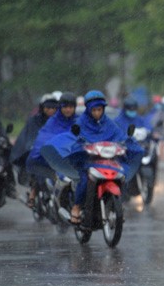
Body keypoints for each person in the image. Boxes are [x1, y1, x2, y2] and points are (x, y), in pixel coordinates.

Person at [41, 90, 142, 225]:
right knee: (84, 179)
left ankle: (118, 204)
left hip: (106, 160)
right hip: (86, 160)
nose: (96, 113)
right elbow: (73, 140)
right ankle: (77, 207)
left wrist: (128, 142)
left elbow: (120, 136)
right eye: (93, 110)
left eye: (99, 110)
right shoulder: (80, 123)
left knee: (123, 175)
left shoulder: (109, 123)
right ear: (88, 109)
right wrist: (81, 146)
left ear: (103, 109)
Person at [25, 92, 78, 206]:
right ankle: (35, 192)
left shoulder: (79, 121)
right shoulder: (51, 121)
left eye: (71, 107)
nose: (68, 110)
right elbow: (44, 137)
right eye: (65, 107)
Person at [9, 93, 59, 198]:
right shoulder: (34, 120)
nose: (51, 110)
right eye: (48, 107)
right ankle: (33, 191)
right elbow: (30, 136)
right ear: (42, 108)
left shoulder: (60, 121)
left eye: (53, 108)